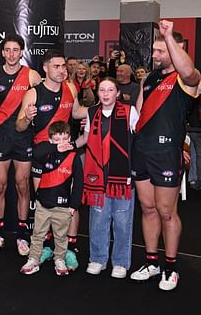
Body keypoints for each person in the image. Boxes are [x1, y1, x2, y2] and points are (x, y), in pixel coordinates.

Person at [130, 20, 200, 291]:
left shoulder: (186, 79)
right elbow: (140, 113)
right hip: (142, 151)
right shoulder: (149, 78)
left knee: (166, 212)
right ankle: (152, 262)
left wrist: (170, 37)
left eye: (161, 50)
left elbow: (189, 70)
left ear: (175, 49)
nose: (155, 55)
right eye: (155, 50)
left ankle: (170, 268)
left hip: (166, 152)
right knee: (147, 209)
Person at [16, 50, 86, 268]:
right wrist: (27, 118)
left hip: (66, 155)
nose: (62, 70)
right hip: (41, 156)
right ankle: (46, 247)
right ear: (45, 68)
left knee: (69, 206)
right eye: (56, 66)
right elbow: (19, 126)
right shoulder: (33, 93)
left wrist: (100, 109)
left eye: (63, 66)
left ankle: (70, 249)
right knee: (44, 203)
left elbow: (76, 113)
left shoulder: (71, 88)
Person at [0, 34, 42, 256]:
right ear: (2, 52)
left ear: (21, 52)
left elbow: (45, 99)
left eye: (15, 50)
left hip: (23, 138)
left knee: (23, 185)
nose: (11, 54)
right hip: (0, 137)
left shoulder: (32, 76)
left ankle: (22, 235)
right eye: (7, 50)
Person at [74, 78, 138, 278]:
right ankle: (98, 258)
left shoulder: (130, 111)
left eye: (110, 90)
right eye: (102, 90)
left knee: (122, 221)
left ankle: (120, 262)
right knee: (98, 221)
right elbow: (85, 139)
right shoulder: (92, 113)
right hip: (97, 177)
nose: (106, 93)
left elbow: (141, 137)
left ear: (118, 93)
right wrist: (67, 146)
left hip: (122, 178)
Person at [20, 121, 82, 275]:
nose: (61, 143)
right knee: (38, 233)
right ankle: (34, 258)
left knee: (61, 236)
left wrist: (74, 205)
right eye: (57, 139)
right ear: (51, 141)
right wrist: (55, 147)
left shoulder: (74, 157)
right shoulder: (47, 153)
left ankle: (59, 258)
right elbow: (36, 152)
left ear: (70, 139)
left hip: (63, 205)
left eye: (64, 139)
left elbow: (79, 182)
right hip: (43, 204)